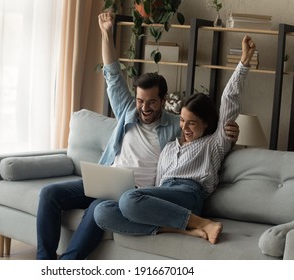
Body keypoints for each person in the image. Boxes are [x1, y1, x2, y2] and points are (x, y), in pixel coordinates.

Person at [35, 12, 240, 260]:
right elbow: (112, 74)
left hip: (138, 192)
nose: (144, 108)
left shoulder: (177, 125)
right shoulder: (126, 112)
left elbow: (202, 129)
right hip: (105, 179)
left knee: (99, 209)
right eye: (140, 101)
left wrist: (231, 132)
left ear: (163, 101)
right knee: (49, 194)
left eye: (152, 102)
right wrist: (105, 33)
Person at [94, 34, 257, 245]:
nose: (185, 128)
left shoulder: (213, 144)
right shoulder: (169, 148)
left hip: (189, 194)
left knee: (128, 199)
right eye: (182, 121)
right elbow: (159, 182)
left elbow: (229, 99)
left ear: (206, 123)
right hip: (165, 193)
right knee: (102, 211)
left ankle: (201, 222)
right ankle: (180, 229)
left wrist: (243, 63)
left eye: (192, 122)